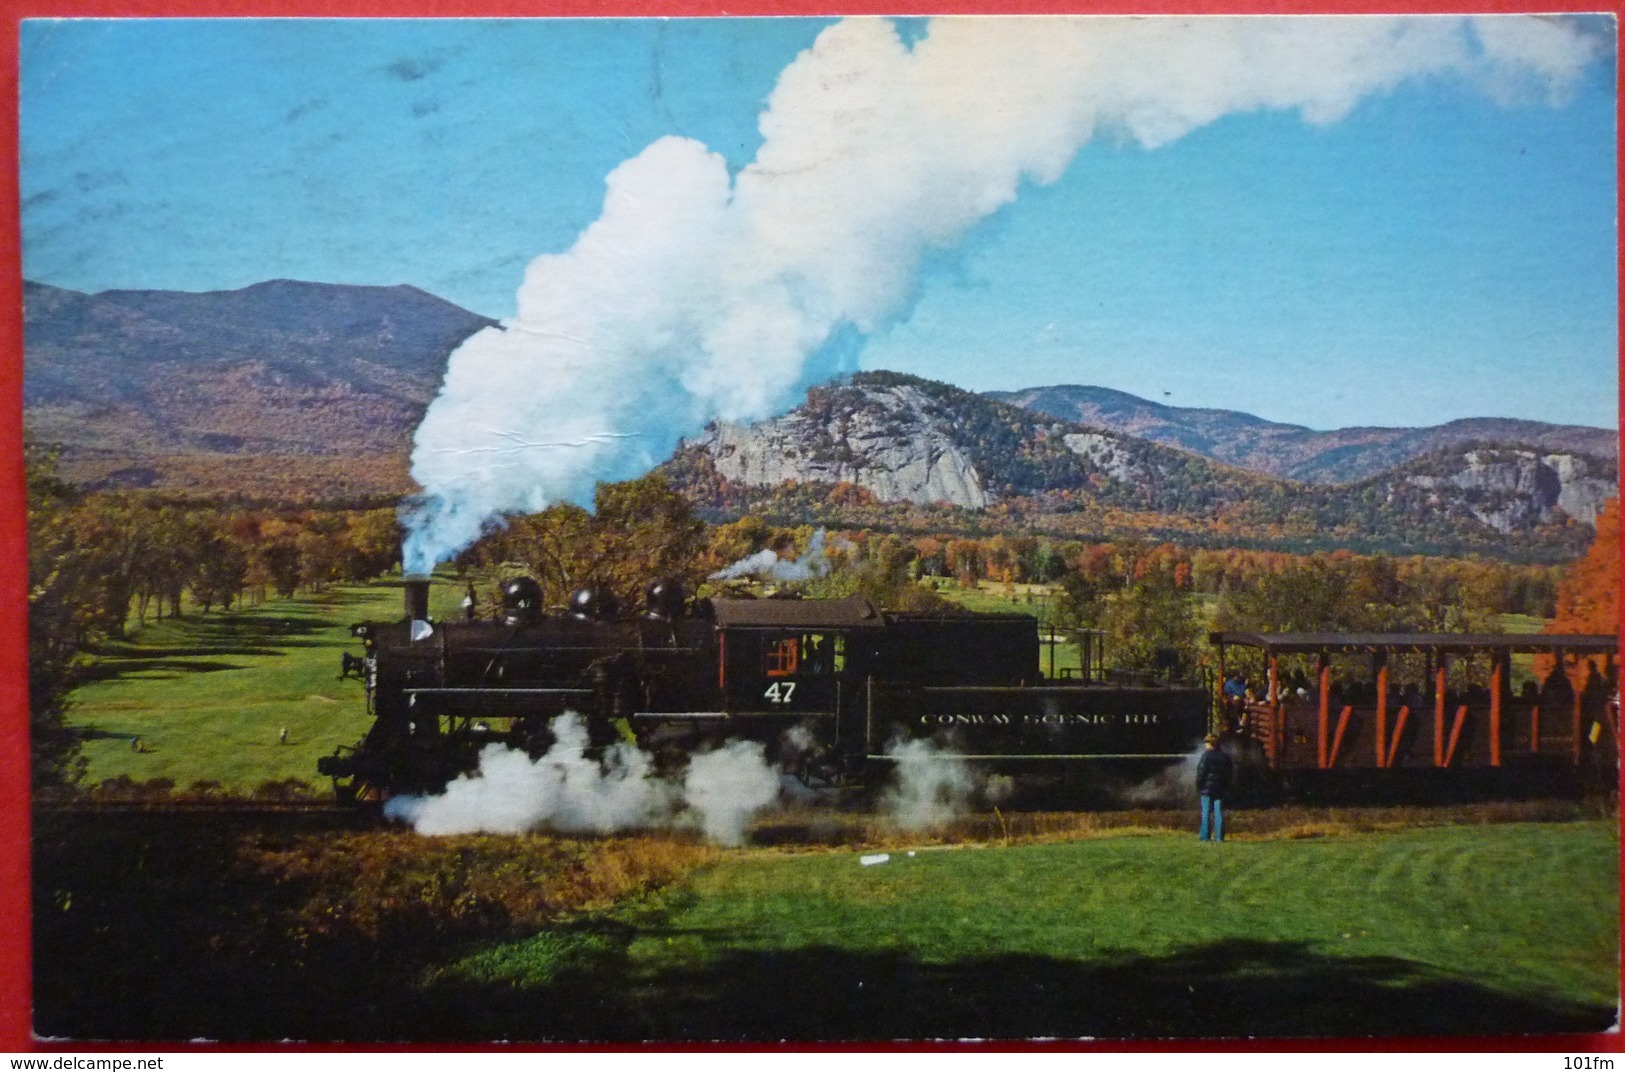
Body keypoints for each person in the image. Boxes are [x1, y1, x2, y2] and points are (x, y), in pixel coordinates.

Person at [1195, 734, 1234, 842]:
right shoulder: (1225, 757)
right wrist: (1226, 786)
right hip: (1220, 788)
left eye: (1206, 743)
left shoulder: (1206, 756)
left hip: (1207, 788)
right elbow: (1229, 773)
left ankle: (1205, 837)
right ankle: (1219, 837)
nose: (1205, 746)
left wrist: (1199, 785)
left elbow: (1201, 772)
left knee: (1206, 812)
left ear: (1210, 743)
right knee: (1218, 812)